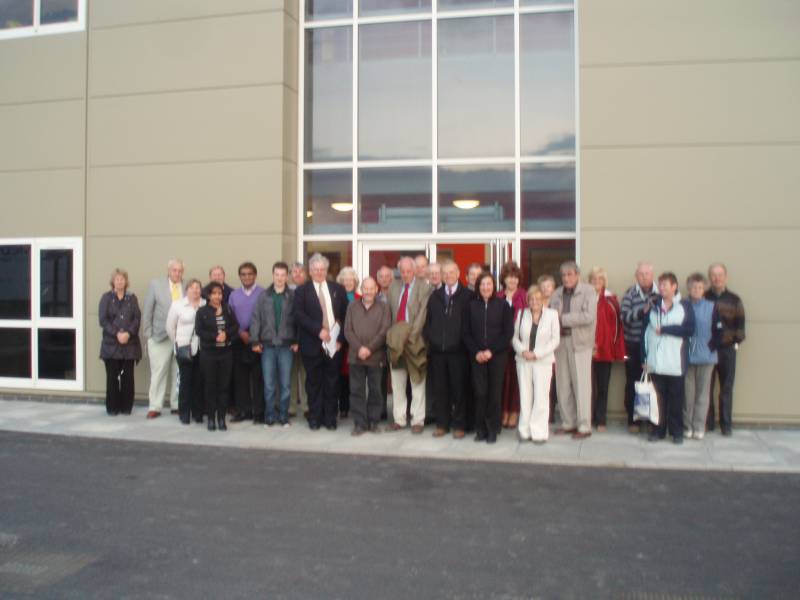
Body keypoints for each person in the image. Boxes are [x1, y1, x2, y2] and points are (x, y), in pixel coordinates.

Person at [293, 253, 348, 431]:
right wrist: (319, 330)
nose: (319, 272)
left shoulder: (337, 289)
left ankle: (330, 418)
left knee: (332, 383)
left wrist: (340, 340)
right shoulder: (302, 291)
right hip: (312, 344)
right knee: (314, 383)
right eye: (315, 269)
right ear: (310, 271)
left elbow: (346, 316)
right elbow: (299, 315)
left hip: (334, 345)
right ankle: (315, 417)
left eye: (322, 269)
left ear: (326, 270)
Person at [642, 272, 695, 444]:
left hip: (675, 363)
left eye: (665, 284)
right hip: (656, 362)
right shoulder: (653, 305)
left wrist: (666, 330)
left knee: (676, 400)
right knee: (658, 399)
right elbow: (645, 333)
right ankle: (658, 431)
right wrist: (645, 357)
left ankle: (677, 432)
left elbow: (689, 330)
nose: (662, 288)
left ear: (674, 287)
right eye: (660, 284)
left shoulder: (684, 306)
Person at [423, 260, 473, 439]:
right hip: (437, 352)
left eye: (452, 272)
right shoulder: (435, 296)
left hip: (458, 352)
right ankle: (442, 424)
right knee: (440, 389)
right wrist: (432, 340)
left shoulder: (467, 295)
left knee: (459, 390)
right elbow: (428, 322)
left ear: (459, 273)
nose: (448, 275)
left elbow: (469, 324)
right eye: (445, 273)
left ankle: (459, 424)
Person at [463, 272, 514, 444]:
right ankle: (481, 429)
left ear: (494, 286)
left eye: (489, 284)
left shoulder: (503, 305)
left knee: (494, 394)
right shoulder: (471, 306)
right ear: (478, 287)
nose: (486, 287)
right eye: (483, 284)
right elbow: (466, 333)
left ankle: (493, 429)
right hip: (476, 357)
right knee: (480, 393)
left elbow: (507, 333)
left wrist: (491, 351)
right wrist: (477, 351)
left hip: (497, 357)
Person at [550, 261, 597, 439]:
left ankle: (584, 426)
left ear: (577, 275)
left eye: (570, 274)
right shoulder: (556, 293)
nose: (566, 278)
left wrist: (563, 318)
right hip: (560, 342)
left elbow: (588, 316)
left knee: (582, 386)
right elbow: (550, 315)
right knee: (563, 385)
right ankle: (568, 423)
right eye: (563, 275)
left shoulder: (588, 291)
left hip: (580, 343)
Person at [385, 256, 431, 433]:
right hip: (396, 343)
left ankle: (418, 420)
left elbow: (422, 315)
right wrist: (393, 338)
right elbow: (389, 312)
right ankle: (399, 419)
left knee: (417, 381)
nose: (405, 274)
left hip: (414, 342)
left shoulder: (424, 287)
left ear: (414, 271)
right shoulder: (393, 287)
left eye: (408, 271)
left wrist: (410, 337)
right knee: (397, 382)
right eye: (402, 271)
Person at [250, 261, 297, 427]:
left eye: (283, 275)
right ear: (273, 275)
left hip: (286, 346)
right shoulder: (263, 296)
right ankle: (270, 416)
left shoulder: (292, 296)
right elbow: (256, 319)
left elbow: (297, 319)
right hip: (267, 346)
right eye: (277, 274)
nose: (280, 278)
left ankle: (283, 416)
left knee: (285, 385)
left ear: (287, 276)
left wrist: (296, 340)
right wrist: (255, 340)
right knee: (269, 385)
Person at [512, 285, 560, 443]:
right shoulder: (521, 314)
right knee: (525, 397)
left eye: (538, 299)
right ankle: (524, 431)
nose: (534, 302)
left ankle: (539, 432)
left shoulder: (552, 315)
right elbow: (514, 337)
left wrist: (537, 353)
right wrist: (522, 351)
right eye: (531, 299)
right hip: (523, 361)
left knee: (541, 398)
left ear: (543, 300)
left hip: (543, 362)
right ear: (528, 301)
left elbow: (555, 340)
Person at [344, 277, 391, 435]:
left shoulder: (384, 307)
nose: (369, 291)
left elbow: (384, 330)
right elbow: (347, 331)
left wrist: (369, 349)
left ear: (376, 289)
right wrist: (359, 349)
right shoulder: (352, 306)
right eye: (366, 288)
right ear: (361, 289)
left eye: (371, 288)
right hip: (355, 356)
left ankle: (373, 422)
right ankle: (359, 423)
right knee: (356, 390)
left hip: (375, 356)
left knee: (375, 390)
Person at [705, 263, 745, 436]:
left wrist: (733, 342)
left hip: (727, 350)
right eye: (713, 275)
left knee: (726, 388)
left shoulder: (734, 299)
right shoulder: (703, 297)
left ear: (726, 277)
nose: (717, 278)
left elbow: (741, 328)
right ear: (709, 277)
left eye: (720, 274)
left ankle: (726, 425)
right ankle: (708, 423)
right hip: (707, 349)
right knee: (706, 388)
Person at [620, 261, 659, 432]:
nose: (644, 277)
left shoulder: (660, 293)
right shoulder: (630, 293)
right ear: (636, 276)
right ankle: (633, 419)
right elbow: (624, 317)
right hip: (633, 345)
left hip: (654, 347)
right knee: (633, 382)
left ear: (653, 275)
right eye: (641, 274)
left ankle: (653, 419)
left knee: (656, 383)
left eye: (647, 274)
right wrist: (642, 311)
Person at [142, 258, 184, 419]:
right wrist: (148, 334)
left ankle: (176, 404)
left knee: (178, 372)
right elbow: (147, 310)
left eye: (180, 270)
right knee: (159, 373)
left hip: (180, 338)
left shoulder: (187, 286)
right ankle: (155, 406)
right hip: (159, 336)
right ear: (168, 271)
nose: (177, 273)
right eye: (174, 270)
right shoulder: (156, 285)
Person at [195, 281, 239, 431]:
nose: (217, 296)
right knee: (210, 386)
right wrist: (215, 336)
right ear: (208, 295)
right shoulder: (202, 312)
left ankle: (221, 418)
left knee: (223, 387)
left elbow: (235, 327)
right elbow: (199, 331)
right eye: (214, 293)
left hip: (225, 354)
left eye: (219, 293)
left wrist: (226, 335)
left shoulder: (228, 309)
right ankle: (211, 419)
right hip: (209, 354)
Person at [98, 268, 142, 416]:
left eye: (122, 279)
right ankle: (112, 407)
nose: (120, 281)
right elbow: (103, 319)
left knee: (128, 378)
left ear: (126, 281)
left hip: (130, 344)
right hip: (111, 345)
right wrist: (117, 333)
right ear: (113, 281)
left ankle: (126, 407)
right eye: (117, 279)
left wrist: (128, 333)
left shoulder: (132, 298)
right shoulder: (106, 298)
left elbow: (137, 318)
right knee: (112, 377)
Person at [588, 266, 626, 432]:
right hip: (585, 350)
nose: (597, 282)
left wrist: (615, 349)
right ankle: (586, 418)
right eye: (594, 279)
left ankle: (601, 419)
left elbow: (617, 328)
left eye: (600, 279)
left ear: (604, 281)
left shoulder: (611, 301)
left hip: (605, 351)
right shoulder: (584, 298)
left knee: (603, 387)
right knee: (587, 388)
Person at [684, 273, 720, 440]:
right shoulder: (682, 305)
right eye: (693, 287)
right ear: (688, 289)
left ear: (704, 288)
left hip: (707, 357)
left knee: (702, 395)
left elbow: (719, 330)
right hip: (687, 357)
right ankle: (687, 426)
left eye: (699, 287)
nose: (696, 290)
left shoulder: (712, 306)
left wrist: (711, 347)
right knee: (687, 394)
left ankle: (699, 426)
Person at [228, 262, 265, 424]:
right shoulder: (234, 295)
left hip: (257, 341)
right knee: (240, 378)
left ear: (255, 275)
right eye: (243, 274)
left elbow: (266, 318)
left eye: (250, 274)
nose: (247, 277)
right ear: (240, 276)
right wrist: (240, 333)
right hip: (239, 341)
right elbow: (229, 317)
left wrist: (253, 334)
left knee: (258, 379)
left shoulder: (263, 293)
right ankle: (243, 411)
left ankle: (258, 413)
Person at [165, 279, 205, 425]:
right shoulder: (178, 305)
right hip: (184, 348)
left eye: (198, 288)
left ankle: (198, 412)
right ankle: (184, 413)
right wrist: (177, 342)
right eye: (192, 288)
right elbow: (170, 327)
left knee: (199, 382)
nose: (195, 290)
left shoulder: (204, 304)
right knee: (185, 381)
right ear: (187, 290)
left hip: (201, 348)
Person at [498, 261, 527, 429]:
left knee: (516, 381)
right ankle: (504, 411)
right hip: (501, 346)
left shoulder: (524, 295)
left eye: (515, 277)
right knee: (503, 381)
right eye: (509, 277)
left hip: (518, 345)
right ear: (504, 279)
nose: (512, 280)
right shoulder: (498, 295)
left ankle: (514, 412)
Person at [336, 267, 361, 419]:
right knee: (342, 376)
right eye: (345, 280)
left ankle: (356, 406)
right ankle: (344, 407)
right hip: (340, 343)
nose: (348, 282)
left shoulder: (360, 297)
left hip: (356, 343)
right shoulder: (336, 298)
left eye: (351, 279)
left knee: (355, 376)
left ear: (355, 281)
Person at [537, 273, 558, 423]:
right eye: (543, 287)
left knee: (555, 382)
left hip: (556, 347)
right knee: (543, 383)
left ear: (553, 288)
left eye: (549, 286)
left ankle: (552, 412)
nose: (546, 289)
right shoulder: (536, 303)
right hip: (540, 349)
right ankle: (545, 414)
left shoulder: (558, 302)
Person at [289, 261, 308, 418]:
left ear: (305, 274)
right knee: (290, 374)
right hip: (288, 340)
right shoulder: (286, 292)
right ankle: (292, 407)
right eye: (294, 272)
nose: (297, 274)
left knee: (306, 374)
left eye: (300, 272)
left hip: (307, 339)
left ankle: (307, 406)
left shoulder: (310, 290)